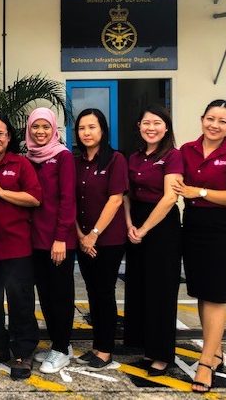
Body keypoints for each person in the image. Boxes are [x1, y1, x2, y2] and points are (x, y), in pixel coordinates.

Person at [171, 100, 226, 393]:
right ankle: (214, 349)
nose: (214, 125)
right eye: (210, 118)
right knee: (202, 294)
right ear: (201, 119)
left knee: (216, 296)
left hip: (222, 230)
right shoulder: (186, 151)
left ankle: (206, 363)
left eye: (222, 121)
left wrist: (201, 191)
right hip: (192, 227)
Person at [0, 113, 42, 380]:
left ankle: (23, 352)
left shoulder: (21, 164)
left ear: (9, 136)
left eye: (1, 133)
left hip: (16, 245)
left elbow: (35, 198)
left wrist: (1, 191)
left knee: (20, 300)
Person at [122, 105, 183, 376]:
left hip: (162, 225)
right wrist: (129, 224)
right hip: (135, 221)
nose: (151, 128)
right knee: (139, 286)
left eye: (157, 123)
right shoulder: (133, 157)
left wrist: (144, 228)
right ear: (139, 126)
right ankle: (144, 346)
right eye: (146, 123)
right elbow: (125, 194)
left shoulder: (173, 156)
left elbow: (171, 197)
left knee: (161, 291)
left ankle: (162, 354)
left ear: (166, 127)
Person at [73, 108, 128, 370]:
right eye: (82, 128)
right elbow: (70, 202)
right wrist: (81, 236)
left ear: (103, 130)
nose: (87, 132)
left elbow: (116, 199)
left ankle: (106, 349)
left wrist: (93, 235)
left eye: (92, 127)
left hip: (108, 241)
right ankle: (97, 345)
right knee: (93, 293)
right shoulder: (76, 162)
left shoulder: (115, 160)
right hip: (83, 239)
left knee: (104, 292)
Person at [26, 107, 77, 374]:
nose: (41, 132)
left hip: (58, 241)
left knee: (61, 295)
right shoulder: (29, 157)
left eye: (46, 127)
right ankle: (61, 343)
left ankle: (60, 349)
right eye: (36, 127)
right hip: (34, 240)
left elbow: (68, 199)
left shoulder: (64, 157)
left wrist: (61, 238)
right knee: (45, 295)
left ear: (54, 129)